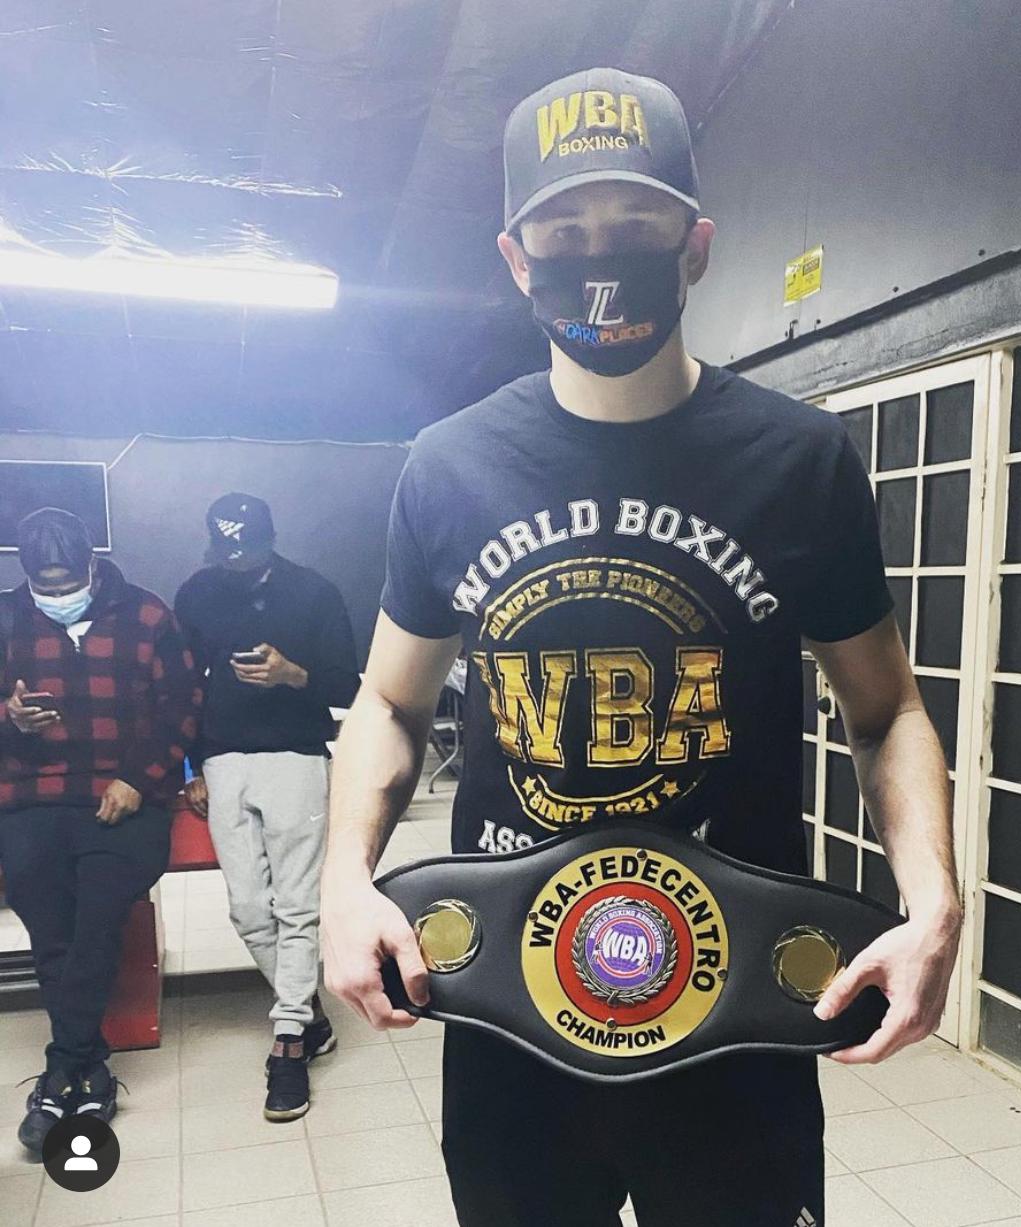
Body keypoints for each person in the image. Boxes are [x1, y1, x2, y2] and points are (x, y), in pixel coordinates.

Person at [321, 67, 962, 1226]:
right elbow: (390, 703)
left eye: (634, 225)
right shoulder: (449, 466)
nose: (598, 257)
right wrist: (342, 885)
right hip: (512, 997)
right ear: (517, 260)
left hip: (737, 993)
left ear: (696, 247)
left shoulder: (801, 460)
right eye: (565, 232)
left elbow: (888, 712)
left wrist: (933, 903)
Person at [0, 508, 201, 1154]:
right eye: (45, 587)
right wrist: (10, 719)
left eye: (67, 584)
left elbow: (183, 705)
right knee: (49, 930)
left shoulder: (147, 615)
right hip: (30, 799)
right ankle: (87, 1072)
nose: (57, 595)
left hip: (126, 798)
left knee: (97, 922)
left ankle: (64, 1068)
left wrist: (139, 778)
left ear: (92, 564)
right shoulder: (5, 618)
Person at [174, 493, 360, 1122]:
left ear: (269, 539)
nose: (236, 561)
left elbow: (347, 684)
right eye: (225, 551)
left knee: (297, 904)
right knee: (249, 908)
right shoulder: (197, 592)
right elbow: (180, 687)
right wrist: (190, 766)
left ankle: (288, 1042)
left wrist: (292, 675)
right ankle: (310, 1016)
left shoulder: (314, 592)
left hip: (296, 754)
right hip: (222, 760)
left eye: (246, 550)